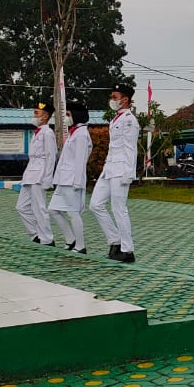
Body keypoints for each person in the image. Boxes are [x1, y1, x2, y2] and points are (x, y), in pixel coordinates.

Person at [91, 82, 140, 263]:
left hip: (121, 169)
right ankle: (115, 240)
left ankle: (127, 250)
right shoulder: (116, 119)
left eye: (115, 97)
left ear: (125, 99)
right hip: (109, 168)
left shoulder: (129, 120)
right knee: (95, 205)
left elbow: (131, 148)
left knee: (119, 208)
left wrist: (129, 172)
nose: (111, 100)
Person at [47, 101, 91, 254]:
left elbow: (80, 160)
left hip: (72, 180)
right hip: (63, 179)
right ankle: (71, 239)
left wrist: (78, 182)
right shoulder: (75, 133)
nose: (66, 118)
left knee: (73, 213)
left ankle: (80, 246)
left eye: (68, 114)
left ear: (77, 115)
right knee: (53, 210)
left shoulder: (82, 134)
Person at [17, 101, 57, 245]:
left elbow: (51, 156)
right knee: (21, 207)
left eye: (36, 113)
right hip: (30, 173)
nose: (34, 115)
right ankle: (35, 234)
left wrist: (48, 178)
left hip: (40, 174)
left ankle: (47, 239)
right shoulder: (38, 132)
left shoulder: (48, 133)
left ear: (45, 116)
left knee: (39, 207)